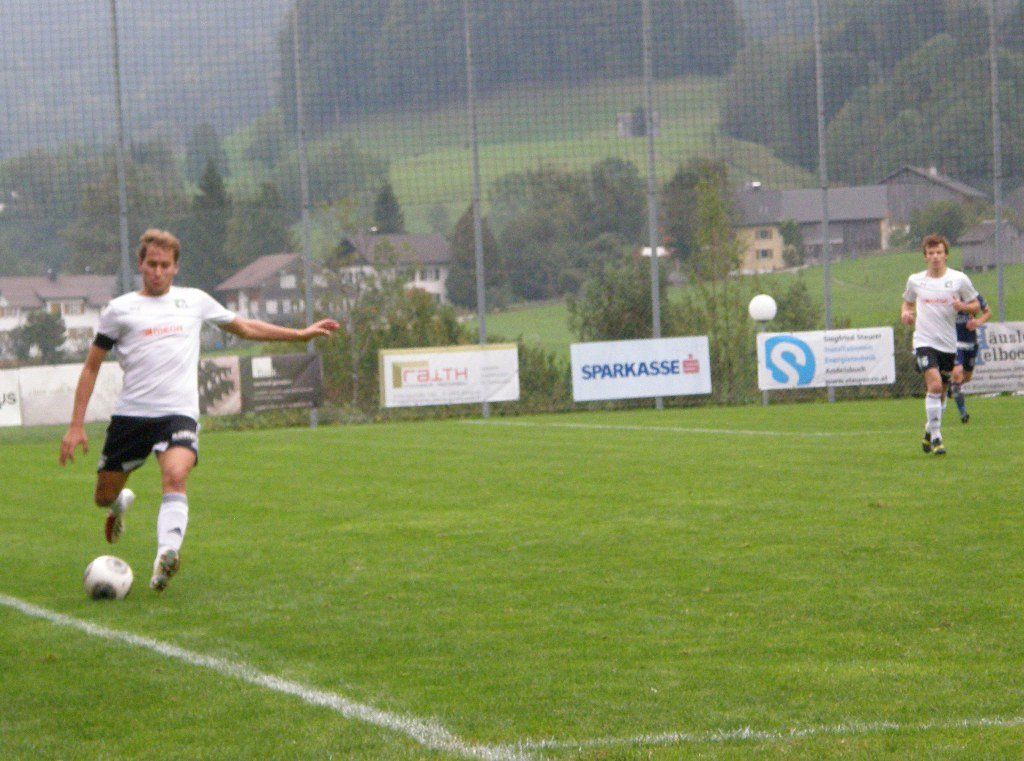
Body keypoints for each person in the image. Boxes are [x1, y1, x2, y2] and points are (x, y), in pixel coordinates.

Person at [59, 229, 339, 591]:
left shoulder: (194, 301)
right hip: (132, 417)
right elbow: (91, 367)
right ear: (140, 264)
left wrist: (300, 335)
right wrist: (76, 425)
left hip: (178, 414)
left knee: (176, 476)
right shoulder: (120, 310)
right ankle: (119, 505)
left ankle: (166, 555)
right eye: (151, 264)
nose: (158, 271)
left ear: (176, 268)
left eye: (165, 265)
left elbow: (245, 327)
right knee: (103, 497)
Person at [900, 234, 979, 456]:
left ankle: (929, 430)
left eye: (939, 252)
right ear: (925, 257)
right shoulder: (916, 280)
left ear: (946, 255)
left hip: (948, 345)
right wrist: (906, 313)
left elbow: (975, 305)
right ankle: (937, 438)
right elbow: (907, 303)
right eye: (931, 253)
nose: (935, 256)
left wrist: (962, 307)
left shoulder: (959, 279)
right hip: (924, 342)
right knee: (934, 386)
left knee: (941, 394)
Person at [948, 292, 991, 423]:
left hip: (971, 343)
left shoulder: (973, 296)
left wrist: (977, 322)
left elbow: (988, 312)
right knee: (957, 373)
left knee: (967, 377)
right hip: (954, 343)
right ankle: (963, 413)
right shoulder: (948, 295)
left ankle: (952, 386)